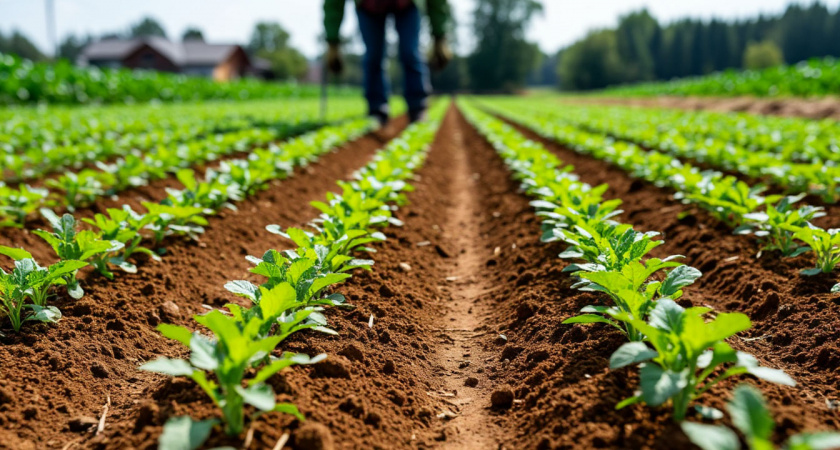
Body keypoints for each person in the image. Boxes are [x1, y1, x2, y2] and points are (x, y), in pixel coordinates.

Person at [324, 0, 452, 124]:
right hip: (369, 7)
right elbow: (334, 3)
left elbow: (437, 2)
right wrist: (332, 41)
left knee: (410, 52)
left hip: (406, 5)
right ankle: (376, 110)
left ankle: (417, 108)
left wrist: (440, 36)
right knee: (373, 56)